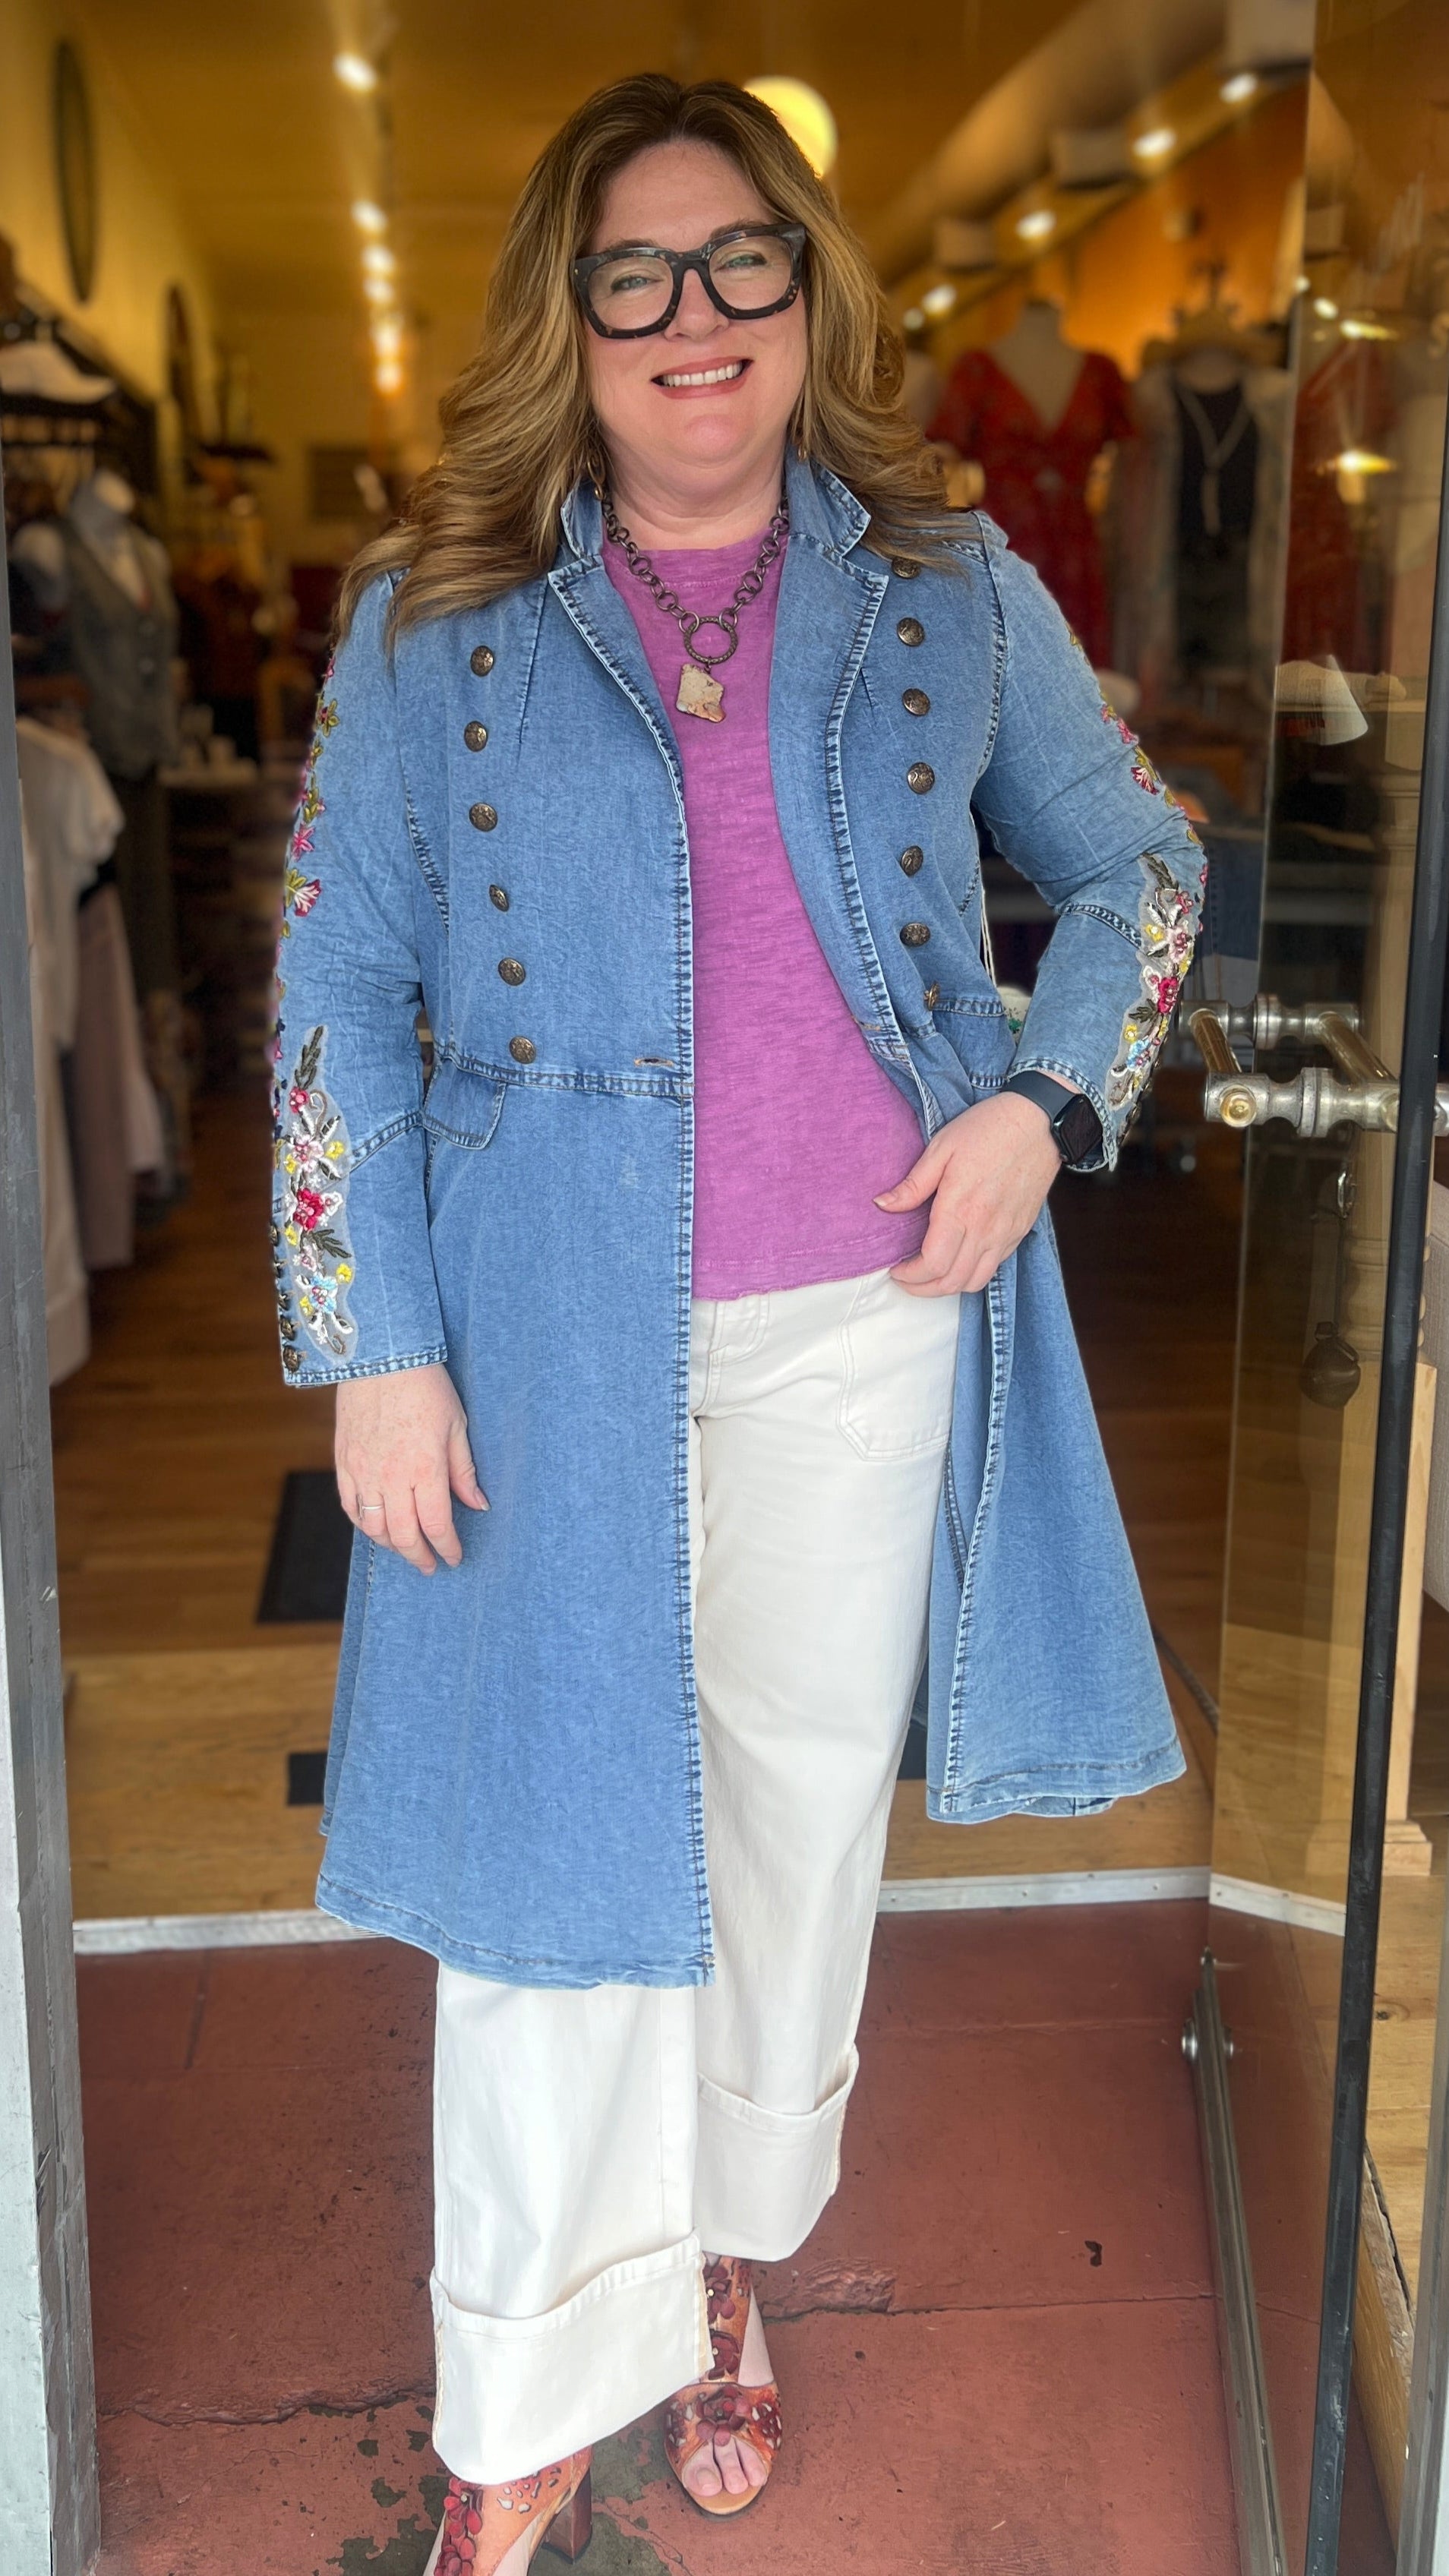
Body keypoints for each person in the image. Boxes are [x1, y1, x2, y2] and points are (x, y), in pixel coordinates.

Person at [270, 72, 1205, 2576]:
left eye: (738, 266)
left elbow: (1143, 866)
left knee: (784, 1834)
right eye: (633, 277)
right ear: (563, 329)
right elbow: (340, 974)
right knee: (546, 1868)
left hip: (860, 1325)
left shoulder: (940, 584)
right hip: (534, 1333)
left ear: (809, 296)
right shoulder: (433, 618)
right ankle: (513, 2400)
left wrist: (1039, 1098)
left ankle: (711, 2265)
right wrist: (371, 1325)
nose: (693, 321)